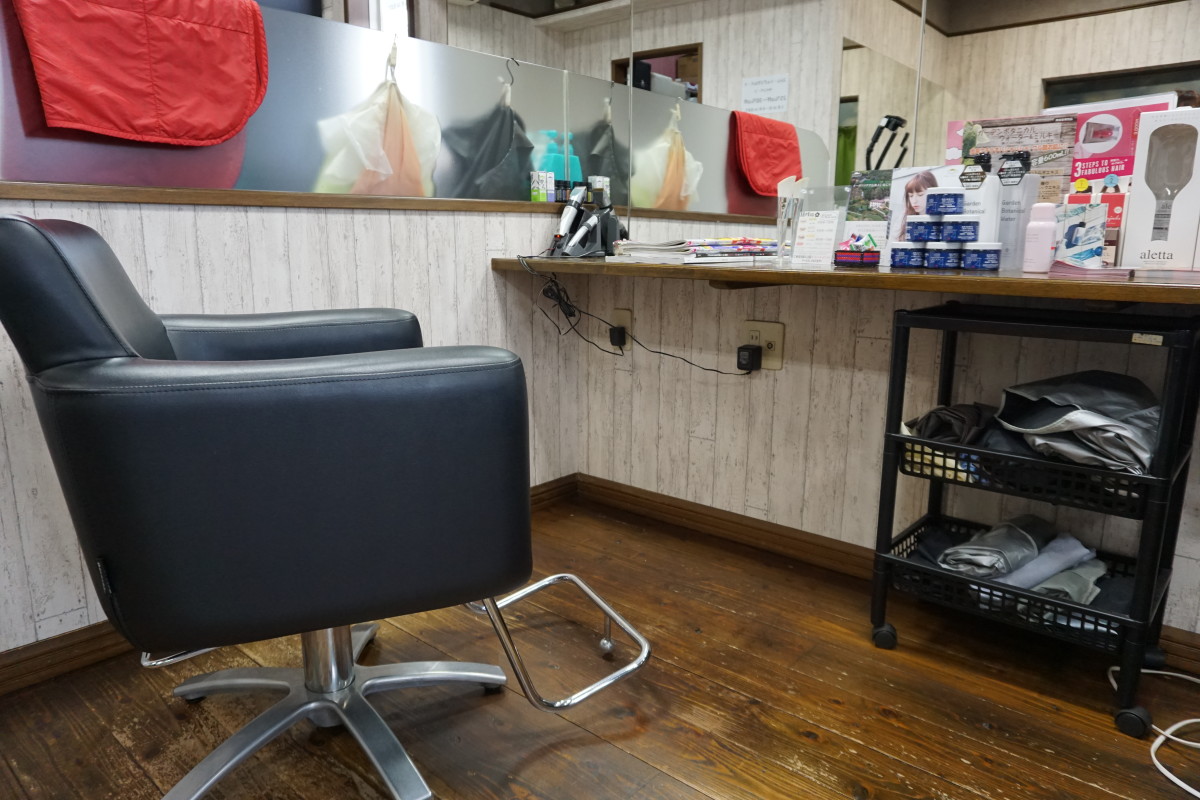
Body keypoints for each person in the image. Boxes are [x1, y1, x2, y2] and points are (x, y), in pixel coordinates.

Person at [895, 170, 938, 241]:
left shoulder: (942, 218)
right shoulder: (904, 217)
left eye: (920, 195)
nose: (914, 201)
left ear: (933, 193)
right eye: (911, 196)